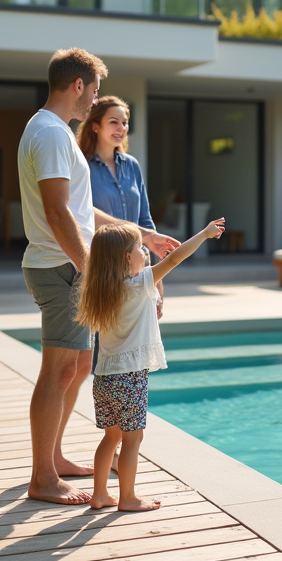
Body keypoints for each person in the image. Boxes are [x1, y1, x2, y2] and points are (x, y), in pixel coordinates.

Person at [18, 47, 179, 505]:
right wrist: (90, 270)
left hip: (64, 263)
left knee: (78, 365)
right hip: (60, 265)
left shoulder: (56, 133)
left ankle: (54, 458)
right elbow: (55, 212)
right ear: (78, 86)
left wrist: (142, 234)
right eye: (95, 92)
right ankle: (42, 476)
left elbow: (77, 208)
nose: (95, 101)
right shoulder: (50, 133)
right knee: (59, 368)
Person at [77, 217, 226, 512]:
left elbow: (160, 271)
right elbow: (179, 256)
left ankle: (100, 494)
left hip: (104, 378)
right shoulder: (139, 283)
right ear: (126, 258)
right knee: (133, 440)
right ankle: (128, 498)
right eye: (140, 248)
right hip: (130, 379)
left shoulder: (102, 290)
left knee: (111, 437)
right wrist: (206, 234)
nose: (145, 253)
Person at [78, 96, 165, 318]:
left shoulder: (132, 165)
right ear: (95, 126)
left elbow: (145, 222)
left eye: (125, 122)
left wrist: (157, 279)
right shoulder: (81, 165)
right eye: (114, 122)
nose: (121, 128)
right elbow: (81, 215)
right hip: (101, 270)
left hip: (137, 270)